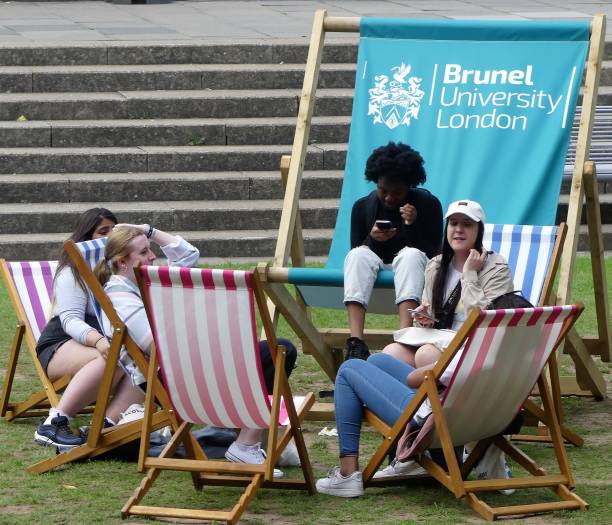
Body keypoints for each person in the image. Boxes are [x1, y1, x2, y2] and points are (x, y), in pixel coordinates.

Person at [316, 199, 514, 496]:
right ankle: (406, 457)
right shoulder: (437, 265)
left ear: (479, 230)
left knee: (348, 370)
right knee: (381, 361)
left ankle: (347, 474)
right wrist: (425, 318)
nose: (458, 229)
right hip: (459, 406)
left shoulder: (493, 267)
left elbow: (482, 323)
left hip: (436, 420)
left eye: (467, 224)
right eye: (454, 223)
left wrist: (471, 274)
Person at [96, 224, 297, 477]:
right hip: (170, 380)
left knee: (278, 351)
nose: (152, 256)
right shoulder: (120, 297)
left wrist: (147, 230)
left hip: (190, 368)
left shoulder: (146, 282)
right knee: (275, 354)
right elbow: (157, 346)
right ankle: (247, 443)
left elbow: (187, 255)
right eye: (144, 252)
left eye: (150, 250)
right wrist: (213, 341)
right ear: (122, 262)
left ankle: (247, 442)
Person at [34, 207, 132, 451]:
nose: (109, 237)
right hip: (61, 341)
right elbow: (70, 320)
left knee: (141, 357)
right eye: (103, 231)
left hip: (102, 339)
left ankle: (105, 425)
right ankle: (54, 423)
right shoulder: (73, 271)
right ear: (87, 237)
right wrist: (99, 341)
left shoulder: (116, 269)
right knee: (116, 358)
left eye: (113, 231)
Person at [343, 142, 443, 360]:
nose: (388, 197)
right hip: (376, 275)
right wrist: (372, 239)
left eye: (396, 192)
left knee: (411, 255)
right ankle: (355, 343)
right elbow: (356, 251)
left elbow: (435, 253)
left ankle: (405, 337)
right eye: (382, 190)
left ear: (410, 186)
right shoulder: (362, 207)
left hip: (415, 272)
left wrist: (412, 225)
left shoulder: (429, 204)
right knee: (357, 254)